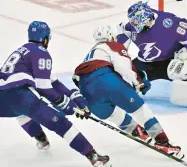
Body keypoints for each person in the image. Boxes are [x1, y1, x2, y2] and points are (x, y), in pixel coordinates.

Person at [0, 21, 111, 167]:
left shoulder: (23, 51)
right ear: (45, 38)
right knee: (61, 123)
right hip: (21, 97)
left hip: (3, 103)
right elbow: (44, 88)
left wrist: (74, 97)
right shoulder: (41, 52)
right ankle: (93, 156)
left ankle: (40, 139)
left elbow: (53, 83)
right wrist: (67, 105)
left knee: (22, 112)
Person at [72, 25, 184, 159]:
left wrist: (83, 102)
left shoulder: (89, 55)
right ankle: (163, 142)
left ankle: (135, 130)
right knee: (141, 110)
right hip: (107, 81)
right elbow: (124, 65)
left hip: (86, 91)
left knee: (112, 114)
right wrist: (139, 82)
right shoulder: (112, 45)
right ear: (111, 36)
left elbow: (76, 78)